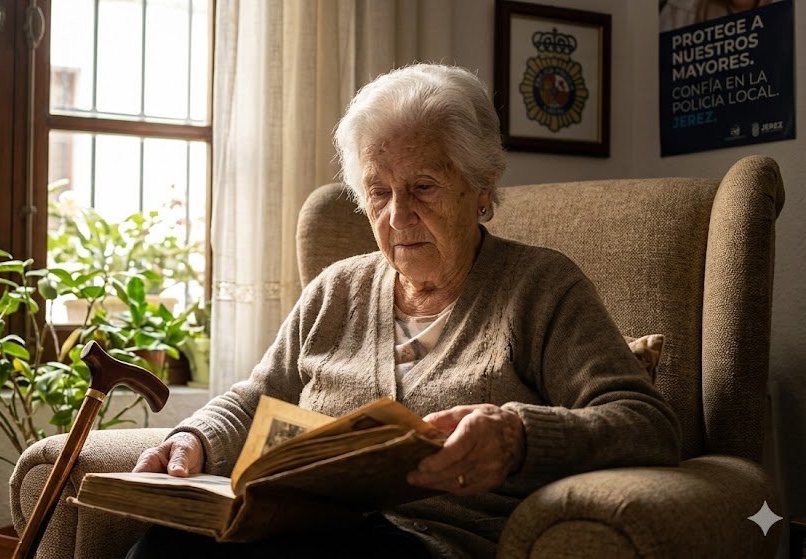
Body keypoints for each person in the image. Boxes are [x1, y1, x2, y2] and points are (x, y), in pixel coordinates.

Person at [127, 63, 680, 559]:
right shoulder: (335, 290)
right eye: (378, 192)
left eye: (422, 186)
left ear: (482, 188)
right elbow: (260, 394)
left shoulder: (538, 288)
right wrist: (196, 438)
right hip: (303, 528)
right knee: (164, 541)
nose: (397, 216)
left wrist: (517, 437)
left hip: (431, 547)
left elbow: (646, 424)